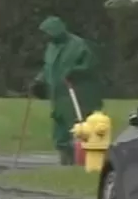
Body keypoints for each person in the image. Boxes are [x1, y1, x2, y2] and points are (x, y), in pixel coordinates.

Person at [30, 16, 104, 165]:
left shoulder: (78, 44)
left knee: (78, 126)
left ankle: (82, 160)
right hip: (57, 95)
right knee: (60, 126)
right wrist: (39, 80)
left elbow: (90, 65)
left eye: (48, 33)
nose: (46, 37)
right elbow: (48, 67)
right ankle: (65, 159)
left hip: (77, 94)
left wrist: (75, 72)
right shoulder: (51, 47)